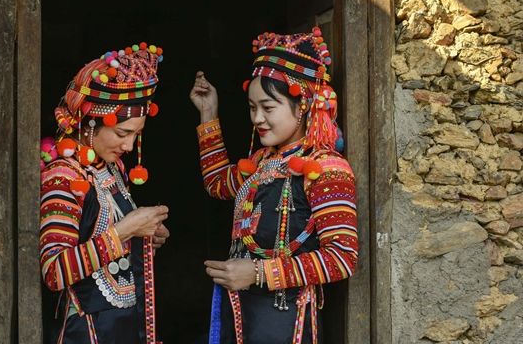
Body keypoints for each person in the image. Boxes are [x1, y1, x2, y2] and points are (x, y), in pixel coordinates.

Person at [189, 28, 358, 344]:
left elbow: (342, 257)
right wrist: (208, 113)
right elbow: (218, 184)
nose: (257, 118)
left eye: (268, 108)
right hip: (240, 314)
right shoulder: (263, 160)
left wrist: (257, 274)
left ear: (303, 105)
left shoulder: (325, 167)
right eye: (253, 107)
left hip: (284, 323)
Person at [40, 43, 170, 344]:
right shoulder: (64, 176)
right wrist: (126, 229)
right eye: (122, 134)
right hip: (86, 332)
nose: (128, 146)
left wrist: (145, 235)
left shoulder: (111, 168)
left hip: (123, 325)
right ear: (89, 123)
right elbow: (55, 271)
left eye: (136, 135)